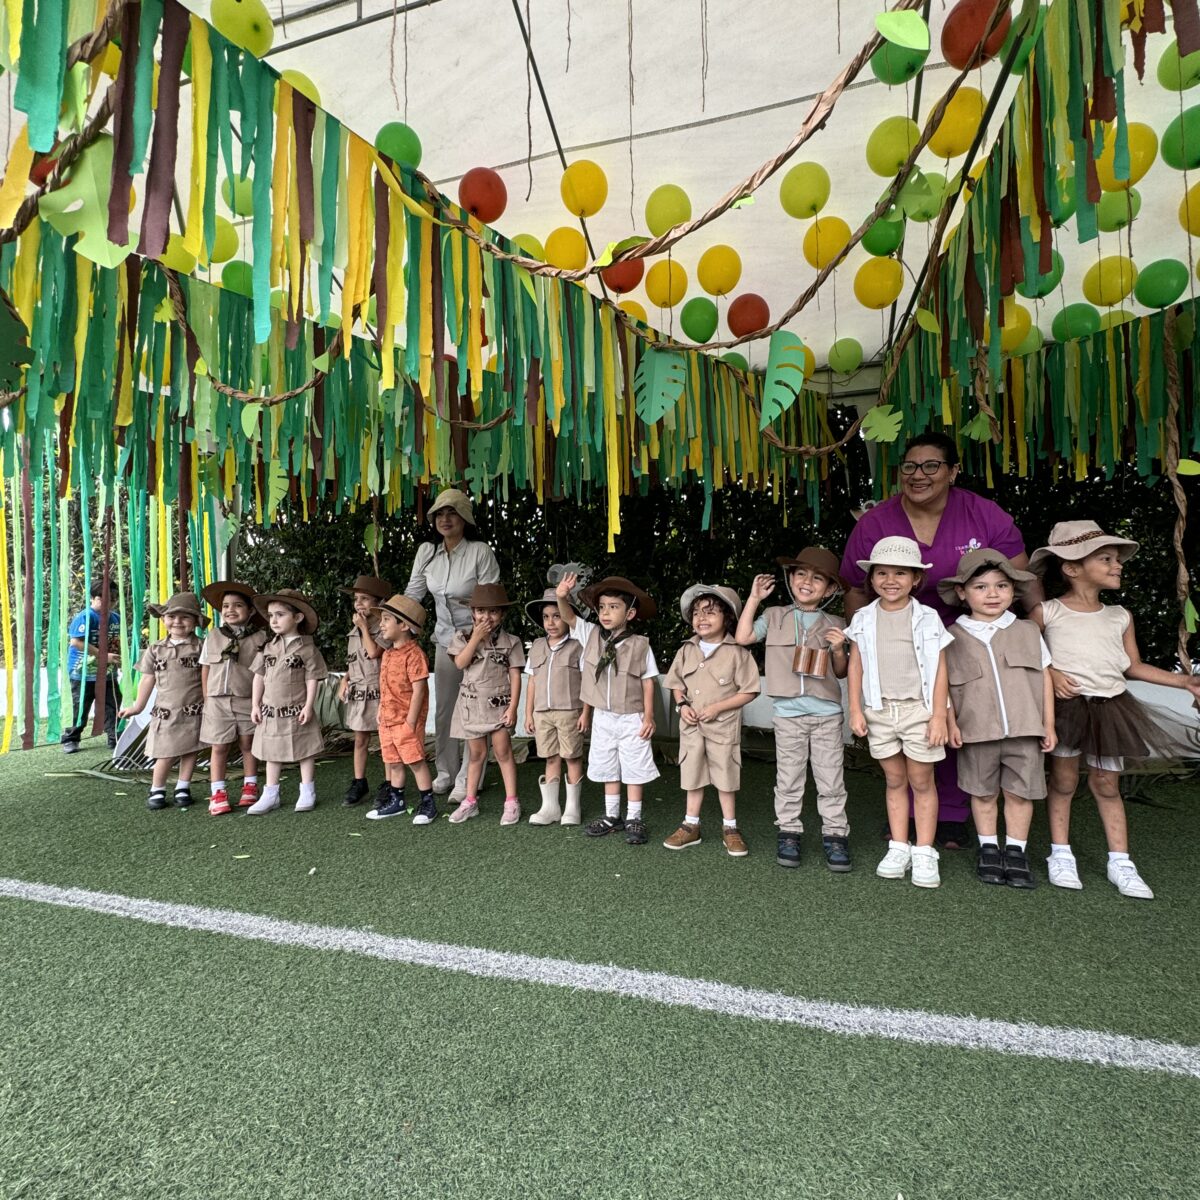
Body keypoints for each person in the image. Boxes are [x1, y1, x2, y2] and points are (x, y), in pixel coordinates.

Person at [841, 431, 1036, 849]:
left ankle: (951, 812)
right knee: (905, 719)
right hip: (895, 636)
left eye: (931, 466)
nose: (919, 474)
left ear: (953, 471)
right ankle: (908, 814)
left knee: (954, 721)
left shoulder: (983, 514)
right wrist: (861, 640)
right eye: (910, 466)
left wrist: (1037, 627)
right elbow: (855, 589)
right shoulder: (876, 522)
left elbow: (1020, 578)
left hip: (969, 635)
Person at [1029, 521, 1200, 899]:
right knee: (1063, 781)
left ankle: (1121, 860)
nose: (1117, 565)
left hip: (1111, 709)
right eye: (1105, 559)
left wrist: (1184, 681)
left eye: (1116, 559)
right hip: (1068, 710)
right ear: (1072, 568)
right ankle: (1061, 853)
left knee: (1107, 784)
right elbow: (1026, 653)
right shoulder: (1047, 612)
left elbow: (1132, 666)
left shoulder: (1120, 615)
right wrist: (1052, 672)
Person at [940, 550, 1056, 889]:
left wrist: (1048, 724)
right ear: (962, 592)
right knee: (983, 792)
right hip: (976, 732)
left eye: (1002, 586)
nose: (992, 594)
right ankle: (988, 848)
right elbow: (942, 685)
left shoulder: (1028, 630)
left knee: (1021, 793)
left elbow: (1045, 678)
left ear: (1013, 590)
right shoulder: (950, 636)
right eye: (981, 587)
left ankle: (1016, 852)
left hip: (1026, 729)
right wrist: (950, 722)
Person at [736, 546, 852, 872]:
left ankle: (836, 834)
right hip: (788, 715)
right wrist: (755, 598)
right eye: (801, 574)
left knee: (831, 779)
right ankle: (789, 832)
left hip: (827, 715)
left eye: (818, 579)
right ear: (790, 578)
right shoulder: (774, 616)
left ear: (830, 589)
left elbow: (841, 671)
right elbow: (743, 637)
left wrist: (839, 648)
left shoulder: (837, 623)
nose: (807, 582)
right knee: (788, 777)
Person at [846, 537, 953, 888]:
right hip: (879, 711)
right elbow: (856, 666)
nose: (890, 580)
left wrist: (939, 716)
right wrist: (856, 709)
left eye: (900, 573)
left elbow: (940, 668)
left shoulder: (927, 617)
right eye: (882, 573)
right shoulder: (863, 617)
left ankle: (924, 851)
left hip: (918, 711)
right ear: (872, 578)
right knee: (894, 780)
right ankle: (899, 847)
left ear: (915, 579)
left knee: (922, 781)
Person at [404, 488, 501, 805]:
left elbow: (491, 598)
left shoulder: (479, 551)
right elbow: (413, 594)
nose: (445, 519)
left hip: (480, 641)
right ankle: (446, 772)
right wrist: (393, 626)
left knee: (476, 709)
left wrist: (479, 637)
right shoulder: (426, 553)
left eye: (452, 513)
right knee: (445, 709)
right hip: (445, 640)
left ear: (465, 518)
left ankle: (469, 779)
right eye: (439, 514)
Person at [556, 572, 660, 846]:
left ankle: (634, 817)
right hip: (603, 716)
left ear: (630, 613)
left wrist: (649, 716)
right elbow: (568, 618)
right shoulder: (590, 634)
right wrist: (561, 596)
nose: (605, 612)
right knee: (607, 765)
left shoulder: (640, 645)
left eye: (614, 607)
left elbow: (648, 682)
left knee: (634, 767)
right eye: (601, 607)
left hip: (632, 717)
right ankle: (612, 815)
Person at [663, 585, 759, 857]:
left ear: (727, 618)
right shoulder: (686, 650)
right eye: (696, 613)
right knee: (692, 774)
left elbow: (750, 691)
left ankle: (730, 828)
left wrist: (718, 707)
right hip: (691, 727)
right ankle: (690, 825)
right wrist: (681, 705)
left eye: (710, 612)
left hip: (723, 728)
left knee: (726, 777)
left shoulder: (738, 653)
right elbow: (675, 684)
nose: (701, 618)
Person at [446, 583, 525, 825]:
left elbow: (515, 676)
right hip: (472, 706)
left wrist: (513, 708)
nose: (486, 617)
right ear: (472, 612)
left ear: (502, 614)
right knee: (476, 755)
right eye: (481, 611)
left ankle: (511, 801)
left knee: (503, 752)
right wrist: (476, 638)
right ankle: (470, 801)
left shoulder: (511, 641)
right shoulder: (462, 637)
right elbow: (460, 663)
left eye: (493, 611)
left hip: (499, 707)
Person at [118, 592, 206, 810]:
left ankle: (183, 787)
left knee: (191, 749)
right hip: (166, 711)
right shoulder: (155, 649)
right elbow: (147, 678)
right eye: (172, 616)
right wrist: (137, 707)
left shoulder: (202, 647)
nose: (177, 622)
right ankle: (157, 789)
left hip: (194, 709)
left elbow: (209, 677)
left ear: (196, 621)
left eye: (185, 617)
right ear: (163, 619)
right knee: (165, 752)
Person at [247, 589, 328, 815]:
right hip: (270, 712)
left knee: (305, 750)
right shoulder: (267, 647)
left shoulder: (308, 649)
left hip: (297, 710)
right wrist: (255, 705)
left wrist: (309, 705)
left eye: (280, 615)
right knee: (271, 751)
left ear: (298, 617)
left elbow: (312, 678)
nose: (273, 620)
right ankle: (270, 794)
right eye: (271, 615)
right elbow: (259, 676)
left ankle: (307, 791)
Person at [198, 580, 270, 815]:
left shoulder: (261, 638)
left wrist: (260, 701)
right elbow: (206, 667)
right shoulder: (213, 636)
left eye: (238, 605)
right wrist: (206, 697)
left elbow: (264, 672)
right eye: (226, 606)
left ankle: (250, 786)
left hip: (247, 699)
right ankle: (217, 793)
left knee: (248, 743)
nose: (231, 610)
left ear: (251, 611)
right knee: (219, 746)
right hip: (217, 701)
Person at [366, 593, 437, 824]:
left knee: (415, 761)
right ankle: (397, 801)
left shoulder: (415, 655)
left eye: (387, 619)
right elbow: (385, 685)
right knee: (394, 762)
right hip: (387, 721)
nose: (381, 624)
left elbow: (419, 690)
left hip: (406, 721)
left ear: (404, 625)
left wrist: (411, 722)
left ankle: (428, 804)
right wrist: (381, 710)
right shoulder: (388, 653)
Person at [523, 586, 585, 826]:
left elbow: (587, 683)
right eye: (546, 617)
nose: (550, 622)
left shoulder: (578, 646)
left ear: (568, 616)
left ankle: (572, 808)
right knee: (550, 757)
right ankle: (550, 807)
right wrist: (528, 713)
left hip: (570, 711)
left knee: (572, 756)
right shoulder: (537, 646)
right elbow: (532, 681)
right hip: (542, 713)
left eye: (557, 616)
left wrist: (585, 713)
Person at [337, 574, 393, 810]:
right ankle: (359, 782)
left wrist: (363, 628)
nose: (358, 604)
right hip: (359, 693)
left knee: (386, 740)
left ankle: (390, 784)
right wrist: (345, 679)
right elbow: (355, 660)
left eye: (365, 599)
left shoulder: (385, 628)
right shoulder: (354, 630)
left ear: (379, 603)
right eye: (356, 599)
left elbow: (373, 653)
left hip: (381, 692)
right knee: (360, 739)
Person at [62, 580, 121, 753]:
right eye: (102, 599)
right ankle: (71, 738)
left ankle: (115, 737)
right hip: (82, 673)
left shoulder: (115, 618)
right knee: (80, 706)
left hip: (107, 673)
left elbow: (115, 643)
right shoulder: (85, 617)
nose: (108, 603)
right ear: (92, 598)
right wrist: (104, 656)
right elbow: (76, 642)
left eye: (113, 599)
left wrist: (117, 660)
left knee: (112, 705)